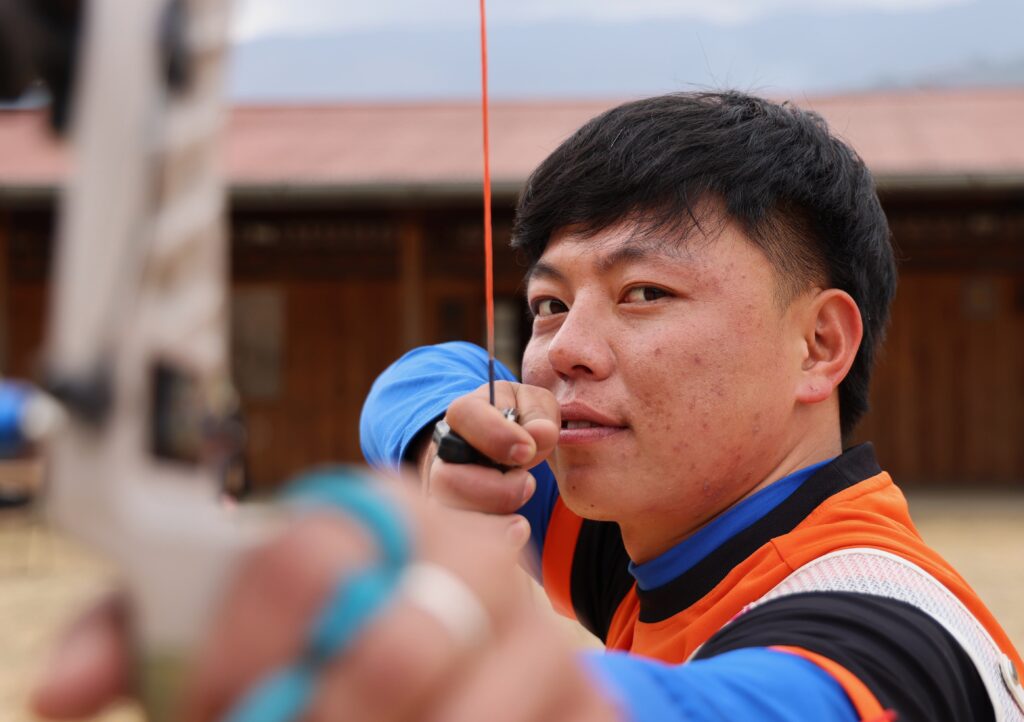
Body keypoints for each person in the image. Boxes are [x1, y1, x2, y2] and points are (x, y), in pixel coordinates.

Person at [33, 92, 1024, 722]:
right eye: (548, 302)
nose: (561, 350)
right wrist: (441, 441)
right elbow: (426, 371)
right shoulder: (652, 528)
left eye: (643, 293)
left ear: (818, 344)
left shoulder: (891, 634)